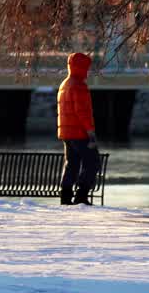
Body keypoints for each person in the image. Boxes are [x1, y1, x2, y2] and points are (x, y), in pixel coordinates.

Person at [57, 52, 100, 205]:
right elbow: (82, 112)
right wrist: (91, 132)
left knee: (72, 164)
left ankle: (65, 197)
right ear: (82, 68)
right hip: (79, 132)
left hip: (66, 133)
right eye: (86, 67)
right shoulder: (79, 86)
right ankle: (81, 196)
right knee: (93, 162)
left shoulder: (64, 84)